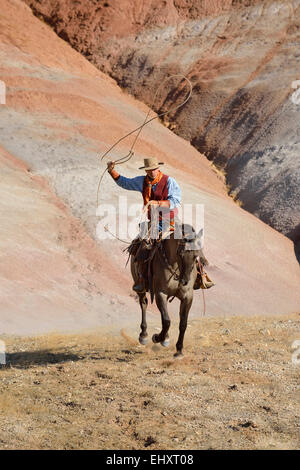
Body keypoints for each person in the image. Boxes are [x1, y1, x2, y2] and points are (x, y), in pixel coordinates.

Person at [107, 157, 182, 292]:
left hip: (170, 219)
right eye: (149, 169)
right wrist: (112, 171)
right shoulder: (142, 181)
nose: (152, 172)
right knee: (141, 245)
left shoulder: (169, 181)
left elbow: (176, 200)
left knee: (191, 240)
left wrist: (158, 203)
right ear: (146, 170)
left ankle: (200, 274)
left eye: (154, 169)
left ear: (158, 168)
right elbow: (126, 183)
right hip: (153, 222)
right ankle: (141, 278)